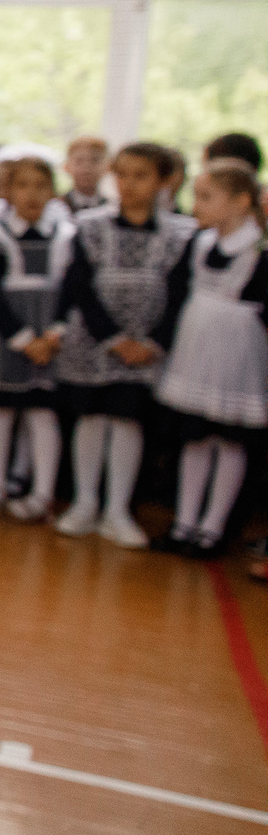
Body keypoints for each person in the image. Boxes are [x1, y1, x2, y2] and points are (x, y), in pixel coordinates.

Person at [52, 141, 190, 544]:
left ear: (165, 182)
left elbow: (180, 293)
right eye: (123, 175)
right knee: (92, 418)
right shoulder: (91, 225)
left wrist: (152, 343)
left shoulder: (181, 235)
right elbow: (80, 287)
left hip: (146, 347)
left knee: (127, 419)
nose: (129, 185)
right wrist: (112, 338)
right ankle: (85, 503)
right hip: (95, 342)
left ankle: (117, 509)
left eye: (141, 176)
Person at [153, 159, 268, 556]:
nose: (196, 205)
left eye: (206, 197)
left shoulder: (258, 251)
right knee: (194, 438)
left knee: (229, 441)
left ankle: (212, 528)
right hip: (195, 351)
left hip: (237, 355)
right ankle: (185, 523)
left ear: (241, 202)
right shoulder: (200, 243)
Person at [0, 151, 73, 521]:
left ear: (53, 192)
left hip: (51, 339)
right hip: (10, 336)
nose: (31, 194)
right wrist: (23, 338)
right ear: (8, 191)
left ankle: (41, 493)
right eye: (22, 185)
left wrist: (52, 335)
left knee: (42, 415)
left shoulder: (64, 236)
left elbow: (71, 290)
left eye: (40, 186)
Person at [63, 135, 110, 214]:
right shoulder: (57, 205)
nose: (86, 168)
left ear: (108, 167)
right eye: (79, 161)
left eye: (95, 160)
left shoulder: (111, 208)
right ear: (66, 166)